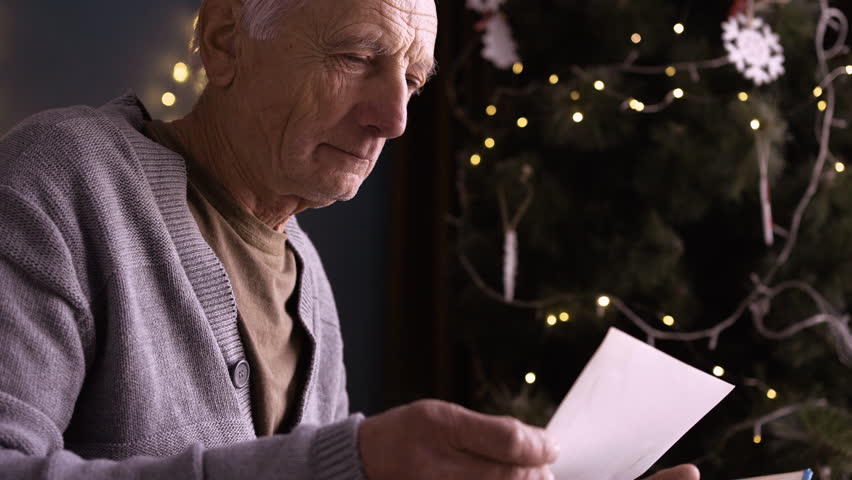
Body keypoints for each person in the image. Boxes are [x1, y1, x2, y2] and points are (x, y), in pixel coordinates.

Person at [0, 0, 702, 478]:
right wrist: (349, 462)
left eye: (413, 80)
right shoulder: (65, 176)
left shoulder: (308, 279)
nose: (394, 117)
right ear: (223, 41)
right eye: (359, 57)